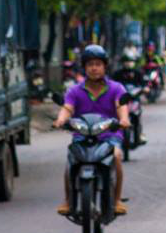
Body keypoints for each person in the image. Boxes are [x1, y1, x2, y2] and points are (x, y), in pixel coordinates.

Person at [55, 44, 132, 216]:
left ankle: (117, 199)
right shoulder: (75, 90)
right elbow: (67, 108)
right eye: (90, 64)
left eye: (98, 64)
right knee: (71, 162)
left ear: (105, 66)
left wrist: (124, 119)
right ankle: (68, 200)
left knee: (117, 156)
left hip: (109, 136)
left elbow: (121, 106)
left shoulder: (116, 88)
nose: (94, 68)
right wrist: (60, 120)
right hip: (82, 135)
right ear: (84, 67)